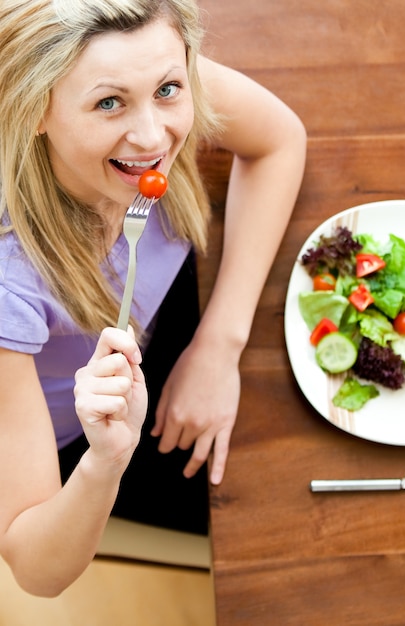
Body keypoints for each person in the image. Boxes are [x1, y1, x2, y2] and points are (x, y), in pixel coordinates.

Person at [0, 0, 306, 597]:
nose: (152, 137)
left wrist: (218, 346)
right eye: (107, 103)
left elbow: (279, 139)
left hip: (161, 334)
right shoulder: (9, 281)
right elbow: (34, 566)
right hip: (82, 435)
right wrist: (106, 460)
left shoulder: (148, 71)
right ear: (36, 110)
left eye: (169, 90)